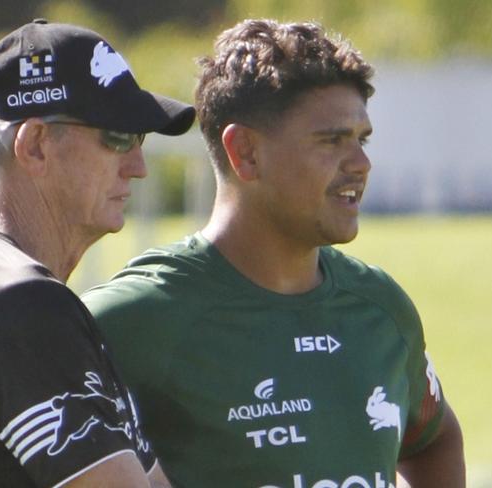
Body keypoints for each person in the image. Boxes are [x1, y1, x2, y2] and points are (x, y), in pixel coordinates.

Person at [82, 19, 466, 488]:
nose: (361, 164)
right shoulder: (132, 319)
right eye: (331, 140)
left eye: (361, 139)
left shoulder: (381, 308)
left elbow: (434, 438)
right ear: (245, 152)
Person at [0, 19, 195, 488]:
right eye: (116, 137)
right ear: (34, 146)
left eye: (141, 140)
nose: (138, 167)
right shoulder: (16, 302)